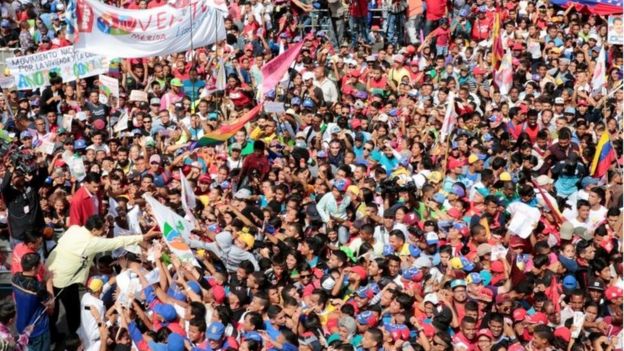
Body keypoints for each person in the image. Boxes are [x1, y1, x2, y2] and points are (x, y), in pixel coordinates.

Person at [46, 215, 160, 340]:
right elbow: (118, 241)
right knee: (69, 310)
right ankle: (73, 338)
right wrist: (143, 237)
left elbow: (81, 253)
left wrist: (91, 266)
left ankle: (54, 335)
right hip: (63, 280)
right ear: (94, 230)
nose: (105, 231)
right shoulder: (91, 242)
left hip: (50, 270)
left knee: (53, 311)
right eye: (102, 229)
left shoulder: (74, 229)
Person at [12, 253, 52, 351]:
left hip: (21, 325)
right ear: (34, 268)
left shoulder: (15, 277)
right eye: (40, 264)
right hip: (37, 330)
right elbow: (51, 304)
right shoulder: (38, 287)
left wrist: (42, 283)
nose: (41, 266)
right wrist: (48, 282)